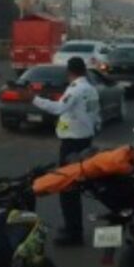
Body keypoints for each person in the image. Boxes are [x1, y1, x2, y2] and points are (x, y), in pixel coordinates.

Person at [32, 57, 101, 246]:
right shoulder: (91, 89)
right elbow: (96, 115)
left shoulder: (76, 89)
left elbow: (58, 108)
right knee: (74, 185)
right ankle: (72, 226)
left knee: (67, 187)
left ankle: (74, 232)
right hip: (85, 140)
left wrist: (34, 99)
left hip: (73, 144)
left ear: (70, 72)